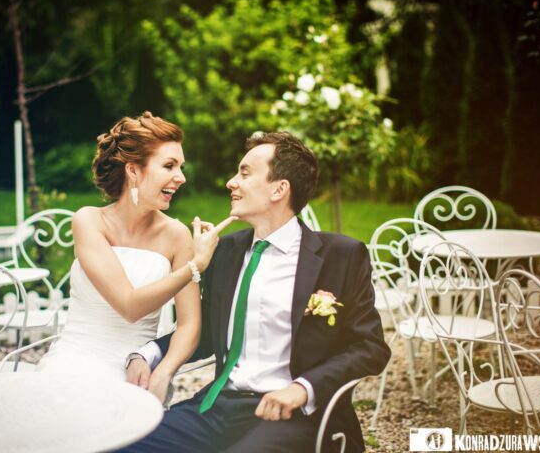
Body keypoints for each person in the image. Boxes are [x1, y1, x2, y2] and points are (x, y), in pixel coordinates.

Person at [121, 132, 391, 453]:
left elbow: (369, 346)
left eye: (245, 173)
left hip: (293, 417)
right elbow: (206, 331)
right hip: (214, 407)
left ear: (279, 189)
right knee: (130, 444)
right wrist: (146, 355)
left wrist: (303, 388)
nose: (231, 182)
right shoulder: (227, 252)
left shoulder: (341, 256)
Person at [36, 111, 236, 397]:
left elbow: (190, 324)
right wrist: (196, 265)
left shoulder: (177, 235)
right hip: (73, 360)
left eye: (181, 167)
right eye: (169, 166)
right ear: (133, 171)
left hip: (136, 371)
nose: (180, 178)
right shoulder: (89, 221)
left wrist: (164, 368)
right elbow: (129, 306)